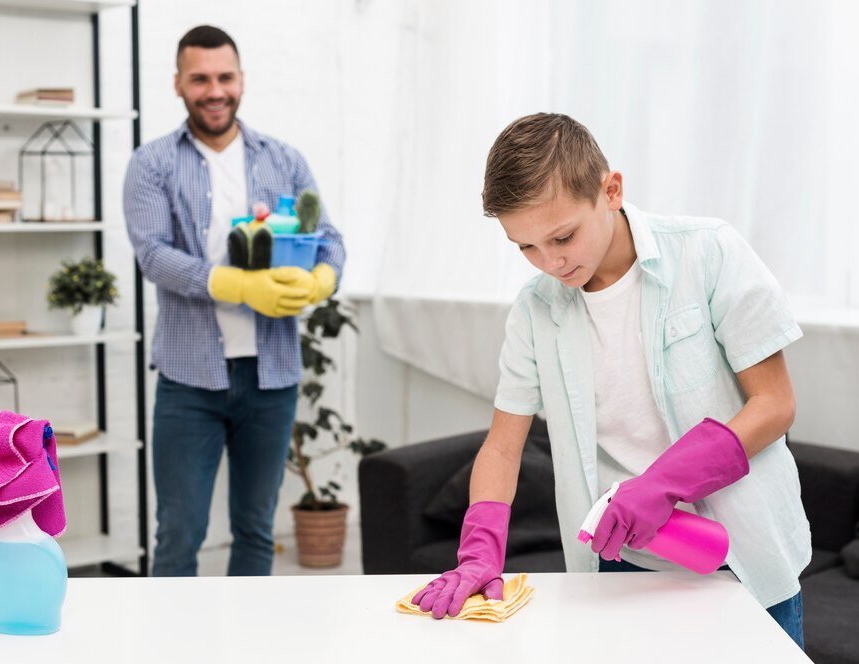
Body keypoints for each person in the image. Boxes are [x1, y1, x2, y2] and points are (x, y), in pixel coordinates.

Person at [412, 113, 809, 648]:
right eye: (525, 247)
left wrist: (662, 484)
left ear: (612, 190)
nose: (549, 262)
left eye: (563, 236)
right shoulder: (535, 311)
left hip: (744, 560)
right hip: (621, 565)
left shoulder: (706, 253)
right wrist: (481, 547)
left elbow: (774, 404)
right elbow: (504, 448)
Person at [123, 25, 345, 577]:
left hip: (271, 379)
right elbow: (151, 253)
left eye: (225, 77)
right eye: (200, 79)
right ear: (178, 84)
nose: (214, 90)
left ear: (241, 79)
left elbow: (331, 241)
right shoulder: (151, 164)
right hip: (187, 382)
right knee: (179, 530)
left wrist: (321, 280)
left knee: (255, 529)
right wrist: (232, 284)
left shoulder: (283, 160)